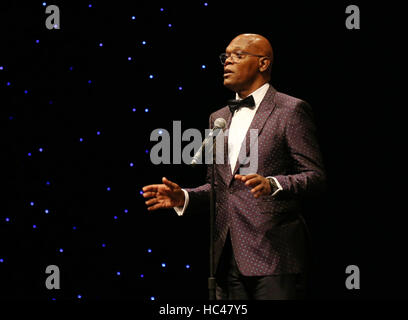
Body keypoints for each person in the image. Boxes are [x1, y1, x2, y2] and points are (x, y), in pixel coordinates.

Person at [142, 33, 326, 300]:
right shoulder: (218, 118)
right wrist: (184, 196)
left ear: (263, 64)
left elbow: (316, 177)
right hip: (226, 258)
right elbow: (219, 188)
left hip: (275, 257)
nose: (227, 62)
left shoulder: (290, 110)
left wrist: (273, 184)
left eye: (238, 55)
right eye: (225, 56)